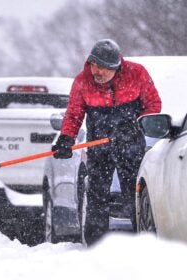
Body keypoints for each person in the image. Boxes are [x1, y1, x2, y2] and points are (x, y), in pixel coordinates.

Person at [52, 39, 161, 246]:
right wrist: (66, 138)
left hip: (130, 145)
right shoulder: (83, 81)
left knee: (133, 195)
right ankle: (95, 246)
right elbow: (74, 114)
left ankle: (144, 245)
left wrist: (138, 126)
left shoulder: (137, 74)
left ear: (116, 67)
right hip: (98, 146)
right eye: (94, 65)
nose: (96, 72)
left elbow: (153, 104)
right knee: (96, 196)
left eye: (102, 68)